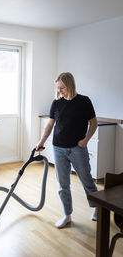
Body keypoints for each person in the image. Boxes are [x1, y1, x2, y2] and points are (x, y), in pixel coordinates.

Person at [36, 72, 98, 228]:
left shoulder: (84, 101)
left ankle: (97, 207)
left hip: (77, 149)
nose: (60, 91)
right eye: (58, 88)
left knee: (87, 181)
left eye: (62, 87)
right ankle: (67, 215)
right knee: (63, 184)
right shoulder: (56, 103)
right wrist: (41, 141)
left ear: (70, 85)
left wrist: (85, 140)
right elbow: (50, 125)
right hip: (59, 149)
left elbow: (94, 123)